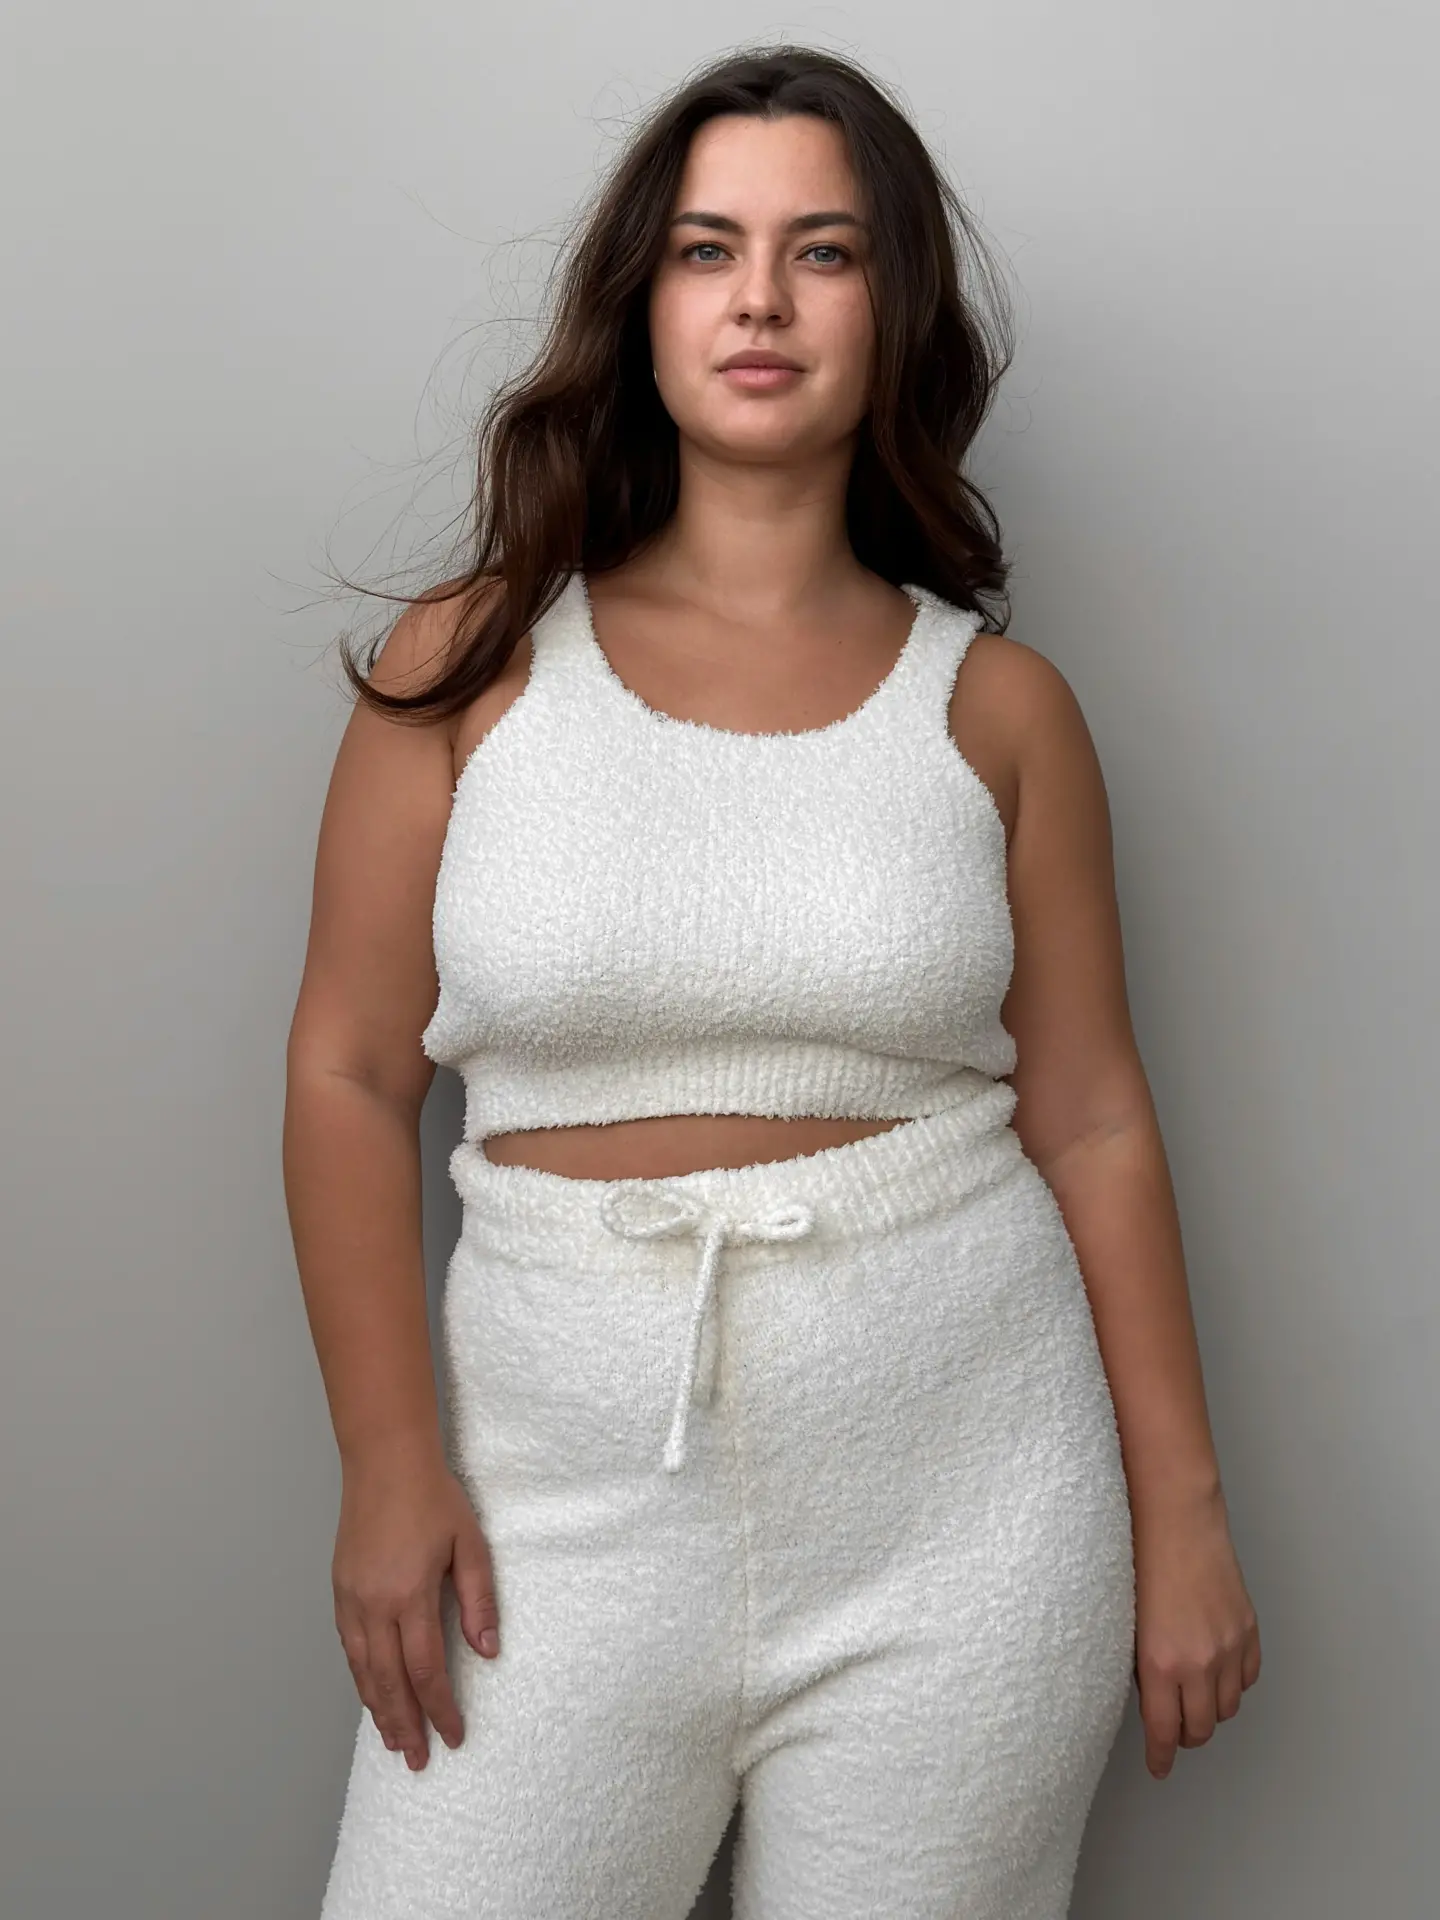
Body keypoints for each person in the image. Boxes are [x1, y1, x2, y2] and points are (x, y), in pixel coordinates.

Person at [283, 42, 1261, 1920]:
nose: (759, 299)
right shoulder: (466, 667)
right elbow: (346, 1074)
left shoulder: (1000, 709)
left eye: (824, 251)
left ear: (894, 314)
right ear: (639, 302)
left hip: (970, 1515)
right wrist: (388, 1468)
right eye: (707, 249)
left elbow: (1092, 1118)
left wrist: (1187, 1518)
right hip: (549, 1522)